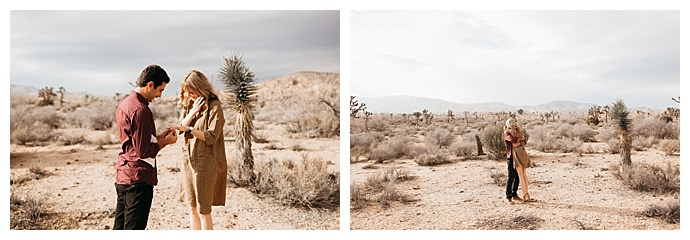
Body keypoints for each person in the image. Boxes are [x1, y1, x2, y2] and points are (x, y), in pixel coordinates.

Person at [114, 64, 178, 230]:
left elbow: (134, 143)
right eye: (160, 90)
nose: (160, 95)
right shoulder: (141, 110)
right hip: (138, 179)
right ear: (150, 84)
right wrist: (165, 143)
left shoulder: (125, 104)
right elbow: (143, 151)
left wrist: (159, 138)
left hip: (124, 175)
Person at [171, 70, 227, 230]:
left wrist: (190, 129)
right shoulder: (190, 105)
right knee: (192, 208)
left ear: (201, 88)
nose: (190, 96)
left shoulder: (214, 106)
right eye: (188, 93)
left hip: (206, 164)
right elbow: (179, 129)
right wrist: (193, 112)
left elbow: (211, 137)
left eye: (192, 92)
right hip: (189, 162)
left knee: (204, 210)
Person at [504, 118, 531, 203]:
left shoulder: (514, 132)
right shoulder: (507, 133)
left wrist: (520, 141)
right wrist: (520, 140)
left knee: (517, 177)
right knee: (511, 177)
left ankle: (514, 194)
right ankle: (509, 197)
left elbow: (523, 140)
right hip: (511, 157)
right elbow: (513, 140)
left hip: (517, 156)